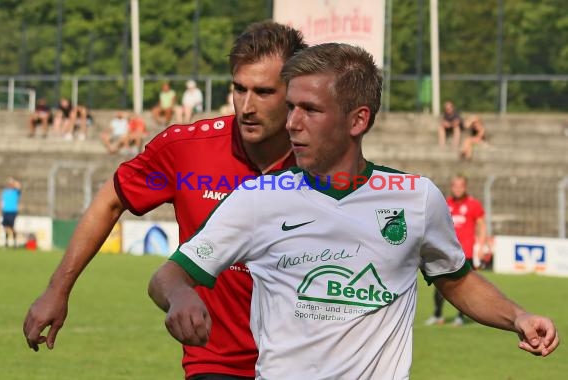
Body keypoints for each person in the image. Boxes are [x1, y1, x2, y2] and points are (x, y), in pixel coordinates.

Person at [148, 43, 559, 379]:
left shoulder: (414, 198)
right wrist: (181, 294)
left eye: (310, 109)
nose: (292, 122)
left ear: (357, 120)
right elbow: (168, 275)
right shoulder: (258, 197)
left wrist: (518, 316)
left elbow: (456, 279)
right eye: (291, 107)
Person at [23, 21, 307, 380]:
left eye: (264, 92)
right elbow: (111, 199)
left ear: (294, 92)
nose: (246, 106)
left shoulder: (321, 161)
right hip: (216, 365)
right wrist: (56, 290)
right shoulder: (185, 151)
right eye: (239, 88)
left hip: (304, 364)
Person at [425, 174, 486, 326]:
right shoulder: (446, 203)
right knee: (441, 285)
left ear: (465, 187)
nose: (458, 189)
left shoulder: (473, 204)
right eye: (455, 185)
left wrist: (481, 246)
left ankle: (460, 317)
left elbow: (481, 225)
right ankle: (438, 315)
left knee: (464, 287)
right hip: (446, 252)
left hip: (466, 253)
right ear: (451, 187)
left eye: (461, 186)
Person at [1, 177, 22, 247]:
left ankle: (15, 243)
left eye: (11, 184)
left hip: (12, 211)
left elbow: (19, 186)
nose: (10, 185)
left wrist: (14, 181)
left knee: (12, 227)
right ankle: (6, 243)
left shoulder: (15, 192)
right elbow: (2, 202)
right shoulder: (5, 192)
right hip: (5, 211)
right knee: (5, 227)